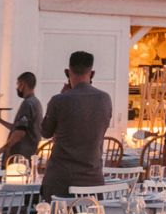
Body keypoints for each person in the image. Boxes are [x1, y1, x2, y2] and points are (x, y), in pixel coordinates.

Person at [40, 51, 113, 200]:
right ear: (92, 74)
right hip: (92, 179)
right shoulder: (105, 99)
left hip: (60, 179)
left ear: (67, 72)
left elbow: (45, 131)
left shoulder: (59, 100)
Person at [0, 72, 42, 164]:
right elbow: (19, 128)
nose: (17, 88)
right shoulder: (36, 102)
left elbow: (19, 133)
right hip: (28, 154)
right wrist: (0, 121)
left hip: (19, 158)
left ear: (23, 84)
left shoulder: (27, 104)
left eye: (18, 84)